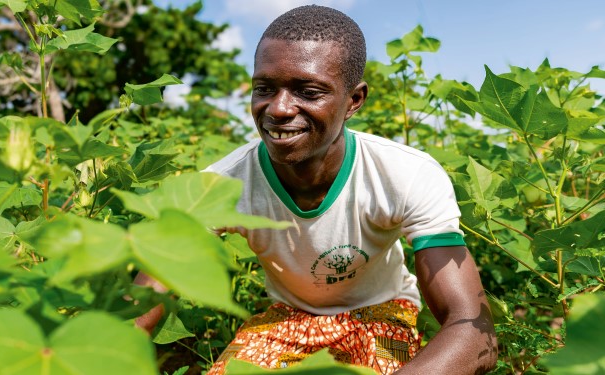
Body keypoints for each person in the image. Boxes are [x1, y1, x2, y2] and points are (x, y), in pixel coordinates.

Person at [137, 5, 497, 374]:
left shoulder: (405, 174)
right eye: (264, 88)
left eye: (308, 92)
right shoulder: (221, 185)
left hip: (382, 313)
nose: (277, 109)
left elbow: (473, 330)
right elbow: (141, 305)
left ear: (354, 100)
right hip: (285, 320)